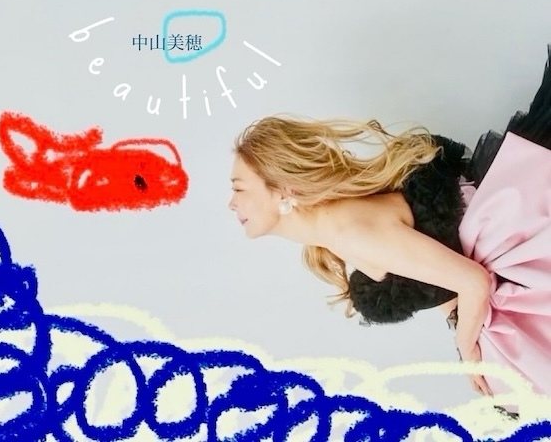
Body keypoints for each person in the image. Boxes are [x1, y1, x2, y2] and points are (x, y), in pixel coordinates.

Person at [228, 45, 551, 410]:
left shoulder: (350, 232)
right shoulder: (335, 229)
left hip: (516, 254)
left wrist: (469, 353)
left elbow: (473, 281)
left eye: (239, 188)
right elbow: (439, 278)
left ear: (283, 189)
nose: (232, 203)